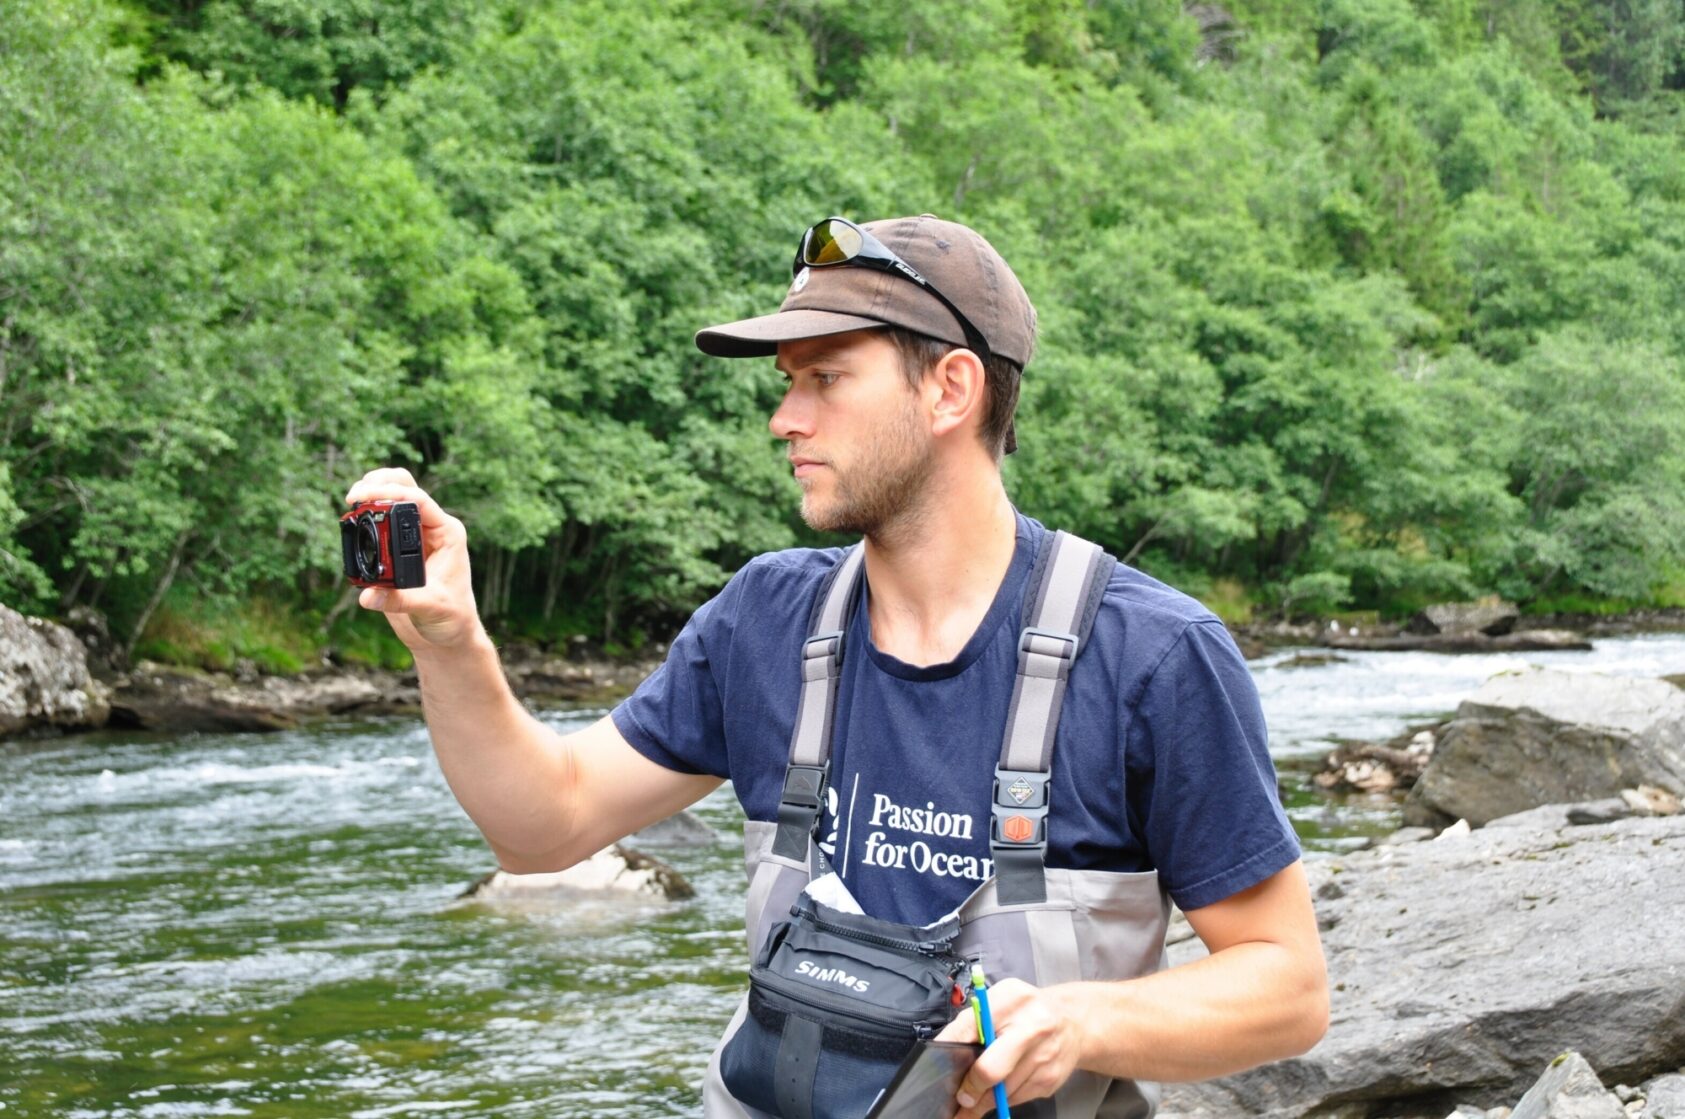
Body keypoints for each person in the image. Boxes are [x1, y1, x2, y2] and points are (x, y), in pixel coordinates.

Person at [345, 214, 1328, 1118]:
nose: (784, 418)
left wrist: (1081, 1022)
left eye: (824, 379)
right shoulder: (761, 620)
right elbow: (539, 827)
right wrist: (452, 644)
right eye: (785, 382)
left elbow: (1285, 986)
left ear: (949, 388)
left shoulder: (1151, 655)